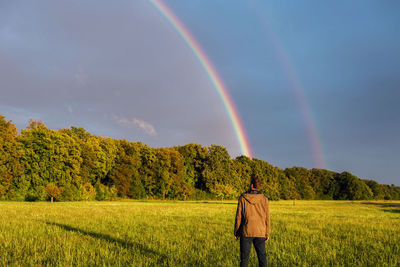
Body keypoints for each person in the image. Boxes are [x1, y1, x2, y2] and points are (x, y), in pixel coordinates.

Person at [234, 176, 270, 267]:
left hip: (246, 232)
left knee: (244, 259)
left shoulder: (242, 198)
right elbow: (267, 217)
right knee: (262, 259)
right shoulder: (264, 199)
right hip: (260, 232)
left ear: (251, 185)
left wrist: (236, 232)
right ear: (259, 187)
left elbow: (239, 216)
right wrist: (267, 233)